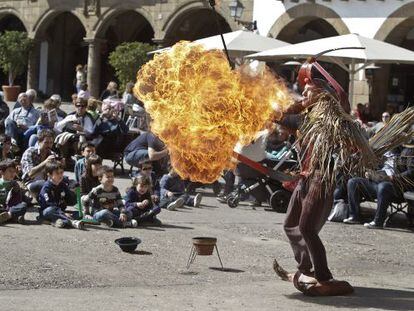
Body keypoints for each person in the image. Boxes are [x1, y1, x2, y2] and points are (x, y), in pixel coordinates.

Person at [345, 147, 414, 228]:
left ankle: (378, 221)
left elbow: (411, 172)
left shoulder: (408, 151)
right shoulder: (381, 149)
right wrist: (370, 172)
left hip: (396, 188)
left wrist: (393, 178)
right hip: (378, 181)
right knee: (353, 182)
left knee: (384, 186)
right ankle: (354, 216)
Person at [38, 161, 83, 229]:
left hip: (61, 212)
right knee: (50, 210)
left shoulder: (63, 185)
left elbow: (71, 201)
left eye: (61, 172)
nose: (60, 175)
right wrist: (63, 213)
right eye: (57, 173)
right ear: (49, 174)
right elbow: (49, 204)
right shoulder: (46, 187)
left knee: (79, 214)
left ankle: (58, 221)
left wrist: (74, 194)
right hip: (49, 211)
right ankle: (71, 221)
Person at [21, 129, 57, 198]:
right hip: (31, 183)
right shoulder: (30, 152)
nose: (49, 145)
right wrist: (45, 162)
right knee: (45, 184)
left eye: (51, 143)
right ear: (39, 142)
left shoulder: (52, 154)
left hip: (47, 181)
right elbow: (30, 173)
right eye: (46, 143)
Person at [0, 160, 28, 225]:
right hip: (1, 207)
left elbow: (17, 201)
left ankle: (8, 216)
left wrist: (17, 190)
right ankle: (14, 217)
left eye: (14, 171)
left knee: (23, 205)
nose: (12, 174)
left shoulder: (15, 185)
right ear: (2, 172)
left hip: (10, 208)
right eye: (10, 171)